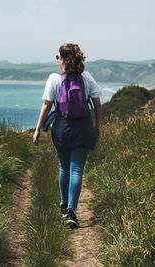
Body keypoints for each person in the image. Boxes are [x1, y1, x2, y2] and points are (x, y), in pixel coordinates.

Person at [33, 43, 102, 229]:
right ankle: (72, 211)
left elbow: (47, 106)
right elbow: (96, 101)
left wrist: (38, 129)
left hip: (61, 129)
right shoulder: (86, 77)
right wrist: (97, 125)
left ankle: (63, 206)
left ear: (62, 59)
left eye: (58, 57)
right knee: (77, 170)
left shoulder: (54, 79)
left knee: (64, 168)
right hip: (83, 128)